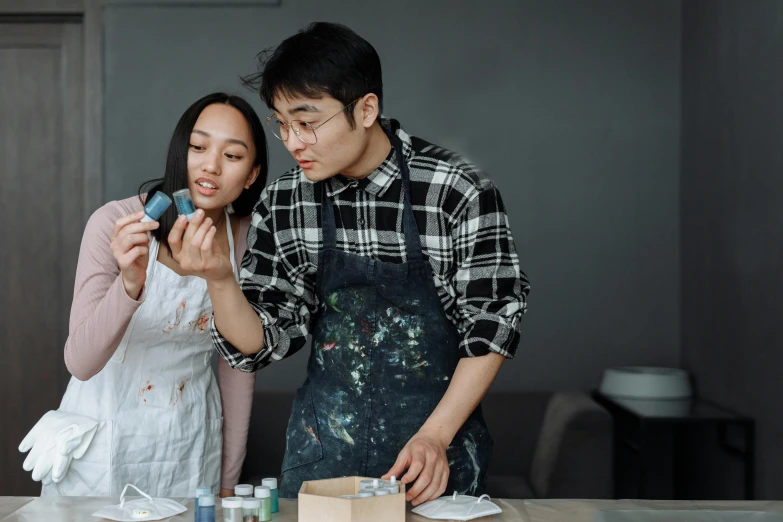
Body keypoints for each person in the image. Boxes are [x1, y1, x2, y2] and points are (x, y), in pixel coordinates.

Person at [173, 23, 529, 506]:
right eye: (282, 123)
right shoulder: (284, 202)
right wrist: (219, 279)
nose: (293, 141)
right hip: (322, 462)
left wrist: (435, 437)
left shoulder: (455, 192)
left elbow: (494, 321)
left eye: (307, 121)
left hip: (432, 465)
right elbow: (261, 341)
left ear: (366, 109)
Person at [22, 92, 267, 497]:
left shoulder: (247, 242)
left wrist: (227, 481)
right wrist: (129, 284)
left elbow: (239, 367)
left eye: (233, 156)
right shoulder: (115, 223)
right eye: (198, 147)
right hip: (102, 446)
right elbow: (80, 362)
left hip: (189, 446)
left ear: (253, 173)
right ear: (179, 151)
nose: (210, 165)